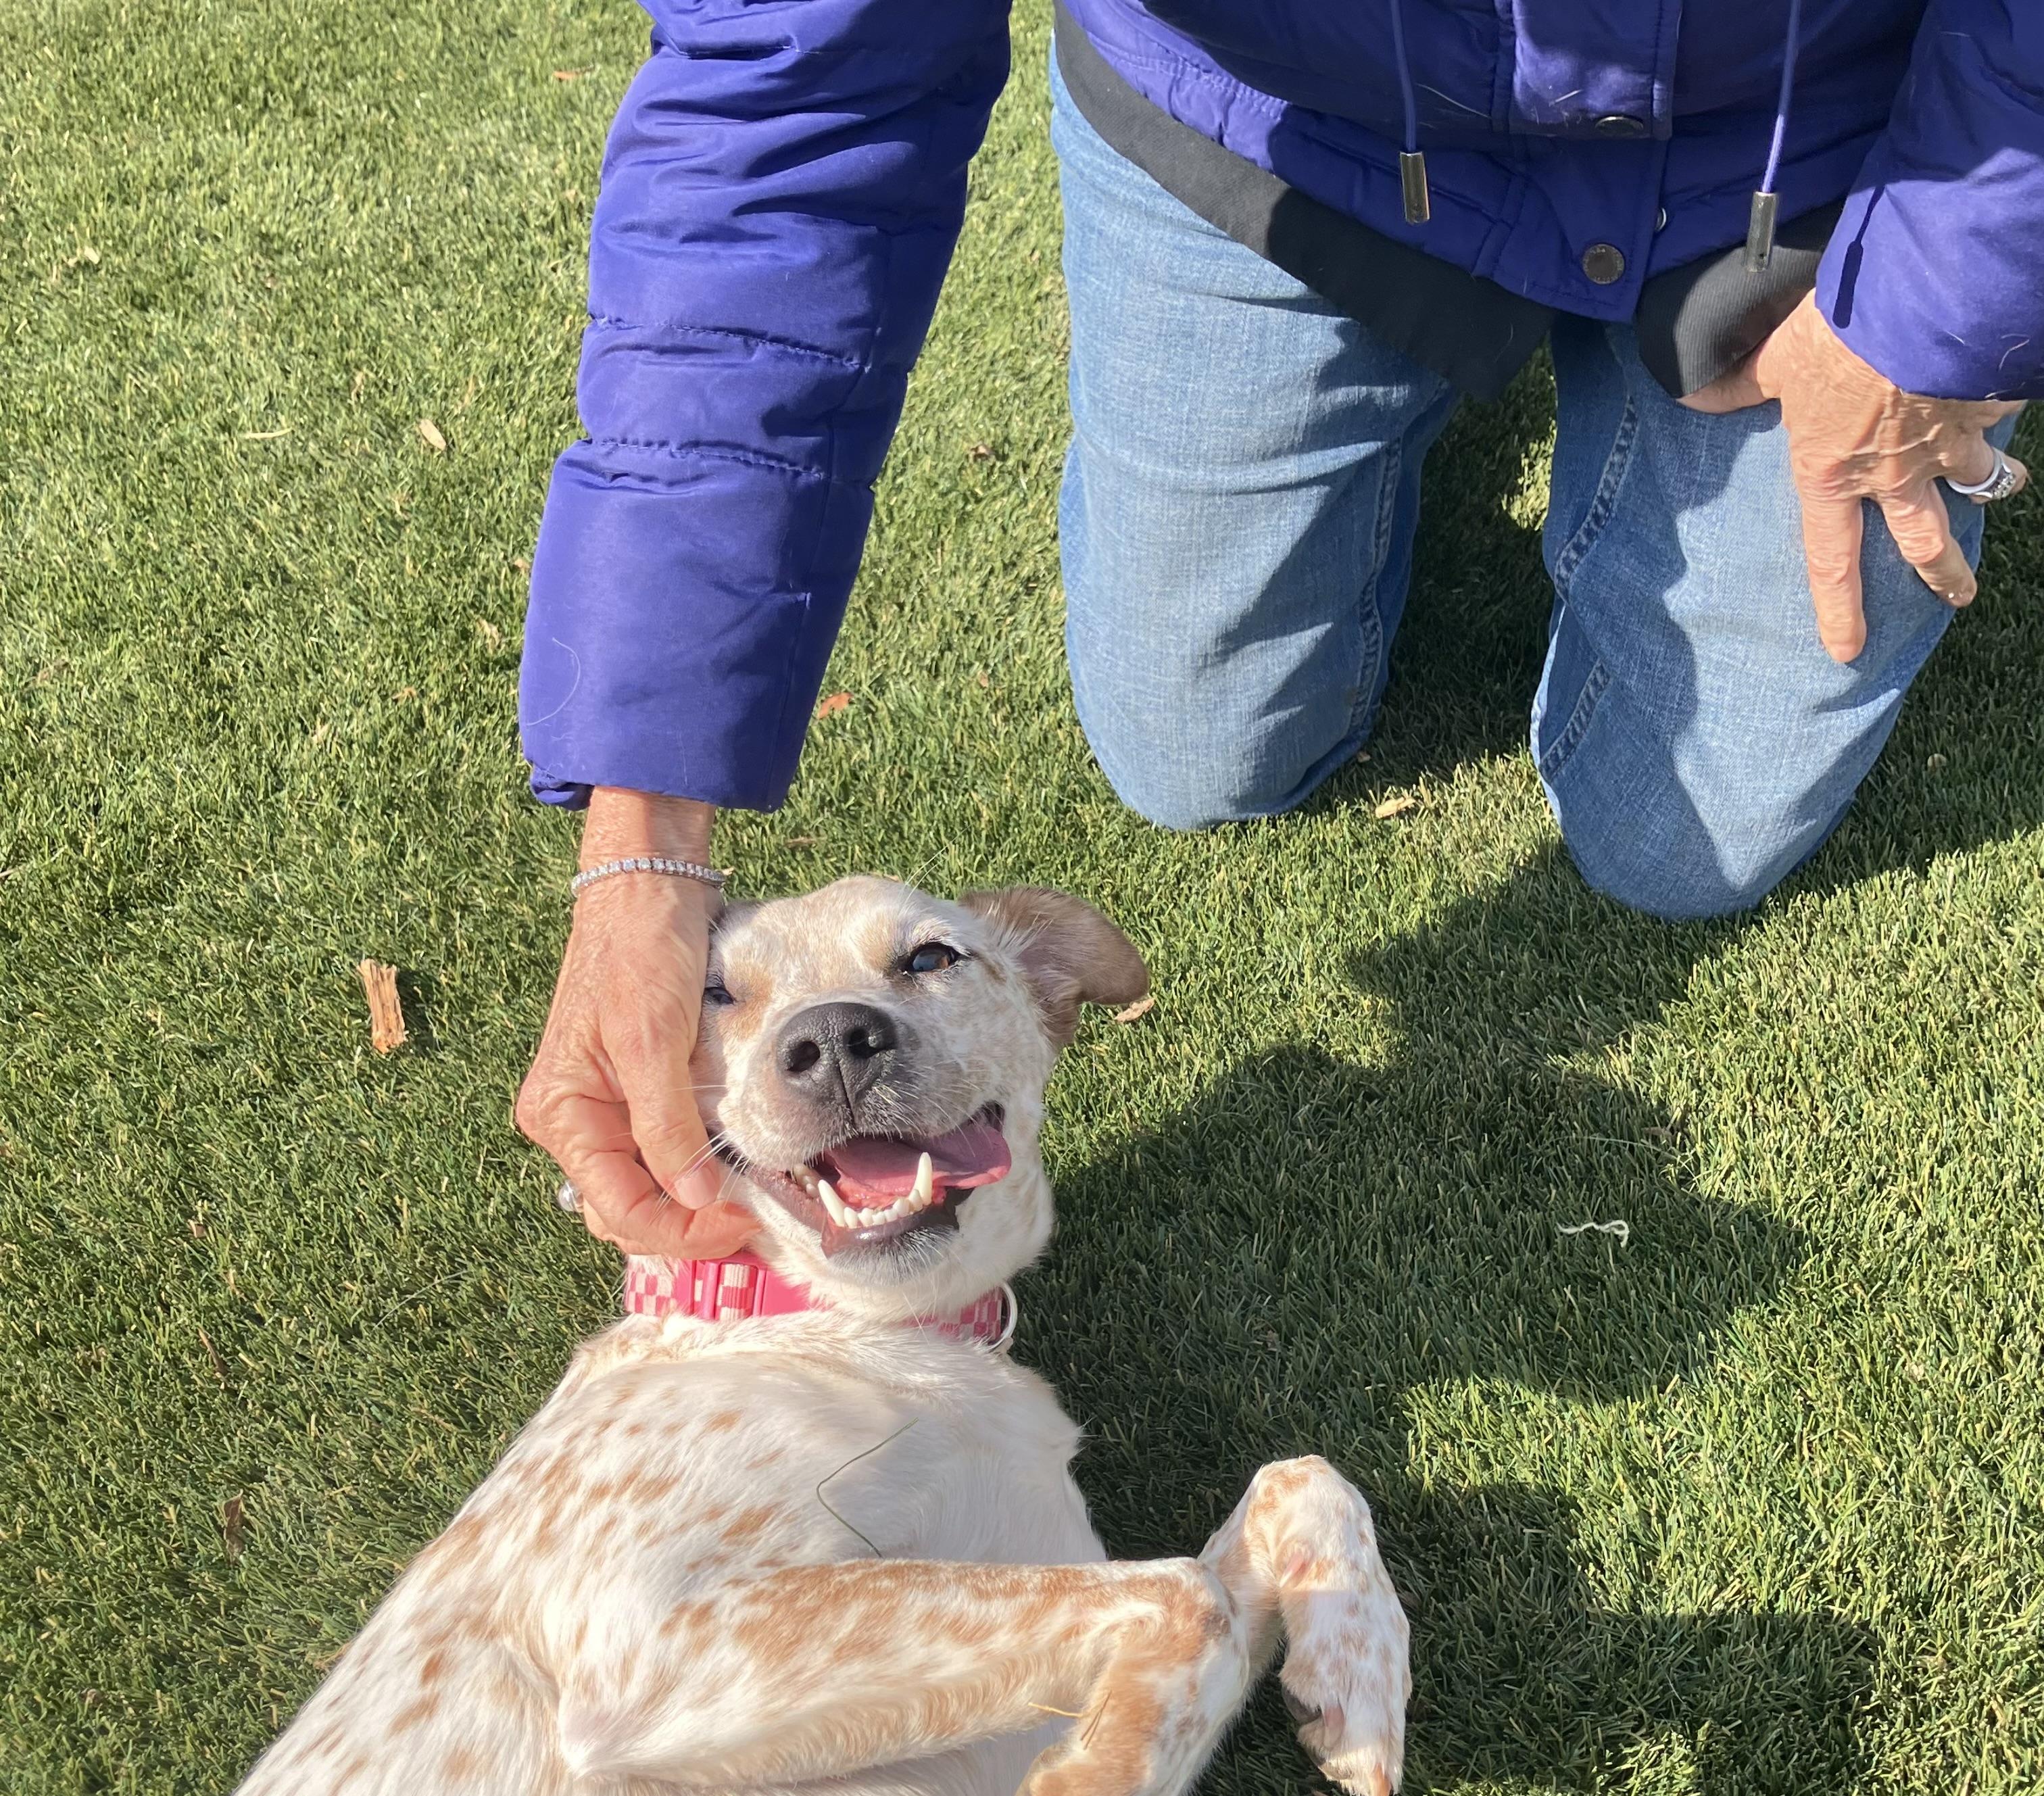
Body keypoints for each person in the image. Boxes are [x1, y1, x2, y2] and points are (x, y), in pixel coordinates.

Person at [514, 1, 2038, 1259]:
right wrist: (644, 823)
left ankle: (1645, 359)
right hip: (1279, 122)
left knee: (1683, 846)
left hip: (1824, 141)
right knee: (1198, 752)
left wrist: (1928, 307)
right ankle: (1443, 363)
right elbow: (790, 101)